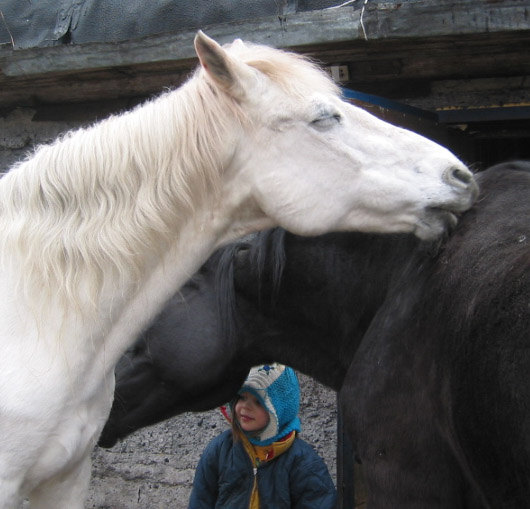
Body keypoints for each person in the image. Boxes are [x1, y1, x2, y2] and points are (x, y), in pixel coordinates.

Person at [188, 363, 337, 508]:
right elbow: (201, 501)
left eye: (258, 402)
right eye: (241, 397)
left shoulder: (303, 462)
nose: (246, 406)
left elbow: (319, 502)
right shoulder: (219, 450)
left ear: (279, 411)